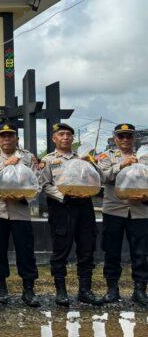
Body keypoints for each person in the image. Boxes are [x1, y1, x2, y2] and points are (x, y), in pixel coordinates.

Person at [39, 122, 103, 306]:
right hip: (62, 208)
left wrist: (90, 164)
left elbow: (98, 180)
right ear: (54, 138)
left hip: (85, 206)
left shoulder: (83, 158)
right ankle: (61, 291)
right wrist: (63, 195)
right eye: (61, 134)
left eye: (68, 134)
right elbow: (43, 185)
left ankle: (85, 290)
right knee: (61, 250)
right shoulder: (49, 160)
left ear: (73, 138)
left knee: (87, 247)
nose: (65, 137)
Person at [0, 123, 40, 307]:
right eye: (3, 136)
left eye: (10, 135)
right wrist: (5, 164)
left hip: (20, 210)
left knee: (26, 251)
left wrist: (27, 199)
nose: (6, 139)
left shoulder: (28, 156)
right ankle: (1, 287)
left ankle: (28, 289)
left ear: (17, 138)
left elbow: (37, 182)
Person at [97, 123, 148, 306]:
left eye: (128, 136)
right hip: (114, 210)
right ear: (115, 138)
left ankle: (140, 290)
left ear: (134, 138)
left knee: (141, 252)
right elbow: (102, 177)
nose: (125, 140)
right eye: (121, 136)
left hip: (140, 210)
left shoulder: (144, 156)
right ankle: (112, 289)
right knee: (112, 251)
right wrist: (121, 165)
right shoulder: (106, 156)